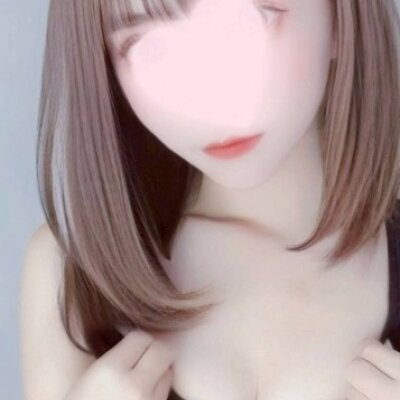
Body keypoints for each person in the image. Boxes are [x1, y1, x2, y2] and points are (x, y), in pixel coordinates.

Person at [19, 0, 400, 399]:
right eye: (153, 47)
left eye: (247, 22)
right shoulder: (71, 274)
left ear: (339, 16)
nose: (209, 93)